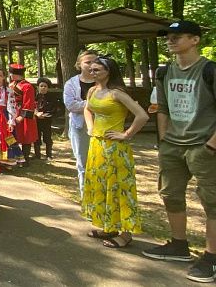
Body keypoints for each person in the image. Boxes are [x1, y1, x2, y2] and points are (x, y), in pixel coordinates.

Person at [142, 20, 216, 283]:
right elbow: (162, 107)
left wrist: (211, 145)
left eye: (177, 36)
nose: (170, 41)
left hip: (203, 146)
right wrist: (164, 141)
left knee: (212, 202)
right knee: (171, 194)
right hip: (172, 146)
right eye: (168, 37)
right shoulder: (164, 72)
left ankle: (211, 257)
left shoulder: (209, 70)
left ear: (195, 40)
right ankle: (178, 245)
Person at [82, 56, 148, 249]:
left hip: (115, 148)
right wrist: (90, 127)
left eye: (97, 70)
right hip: (97, 146)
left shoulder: (117, 93)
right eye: (91, 70)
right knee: (101, 186)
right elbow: (87, 109)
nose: (93, 73)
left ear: (109, 72)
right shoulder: (93, 90)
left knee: (118, 188)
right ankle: (108, 226)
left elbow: (142, 115)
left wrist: (126, 134)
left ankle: (126, 234)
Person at [63, 50, 99, 196]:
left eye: (95, 62)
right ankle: (86, 196)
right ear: (79, 64)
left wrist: (85, 104)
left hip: (102, 125)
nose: (91, 65)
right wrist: (94, 103)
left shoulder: (103, 80)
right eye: (87, 62)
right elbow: (71, 105)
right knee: (83, 163)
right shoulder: (71, 83)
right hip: (80, 127)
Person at [0, 68, 18, 173]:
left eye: (0, 75)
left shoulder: (8, 91)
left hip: (4, 116)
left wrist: (11, 120)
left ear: (4, 77)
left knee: (8, 138)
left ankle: (8, 161)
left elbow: (12, 106)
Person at [8, 63, 37, 165]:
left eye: (11, 73)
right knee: (10, 136)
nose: (10, 75)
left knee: (25, 137)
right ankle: (14, 155)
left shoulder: (27, 86)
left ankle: (25, 158)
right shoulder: (11, 85)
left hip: (23, 114)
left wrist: (22, 116)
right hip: (12, 112)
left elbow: (28, 103)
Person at [34, 77, 58, 161]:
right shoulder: (34, 97)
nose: (43, 88)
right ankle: (37, 154)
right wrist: (36, 113)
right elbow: (31, 107)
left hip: (46, 121)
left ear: (48, 88)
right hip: (36, 121)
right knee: (36, 138)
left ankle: (49, 155)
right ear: (38, 87)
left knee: (47, 138)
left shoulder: (51, 98)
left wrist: (44, 115)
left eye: (45, 86)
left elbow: (53, 110)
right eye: (41, 86)